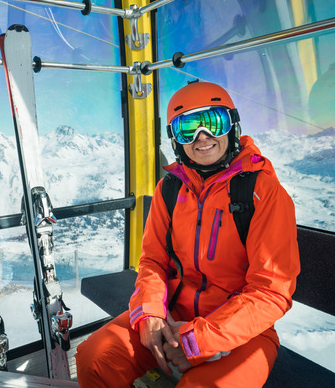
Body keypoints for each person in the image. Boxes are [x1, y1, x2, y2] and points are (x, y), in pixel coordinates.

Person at [75, 81, 300, 387]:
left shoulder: (262, 193)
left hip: (246, 332)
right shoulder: (170, 189)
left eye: (213, 121)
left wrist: (198, 341)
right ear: (176, 140)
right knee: (96, 357)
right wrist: (150, 314)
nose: (202, 137)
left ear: (232, 125)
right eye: (188, 128)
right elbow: (153, 261)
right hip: (172, 314)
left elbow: (271, 292)